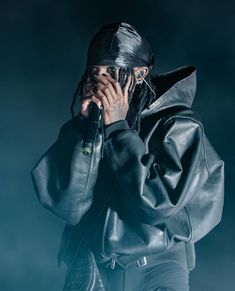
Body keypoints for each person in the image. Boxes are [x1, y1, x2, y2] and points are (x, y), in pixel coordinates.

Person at [31, 22, 224, 291]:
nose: (103, 82)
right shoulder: (85, 126)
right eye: (95, 72)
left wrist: (118, 130)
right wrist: (83, 132)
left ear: (139, 73)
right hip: (93, 269)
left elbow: (157, 204)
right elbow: (68, 206)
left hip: (156, 271)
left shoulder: (179, 126)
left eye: (113, 71)